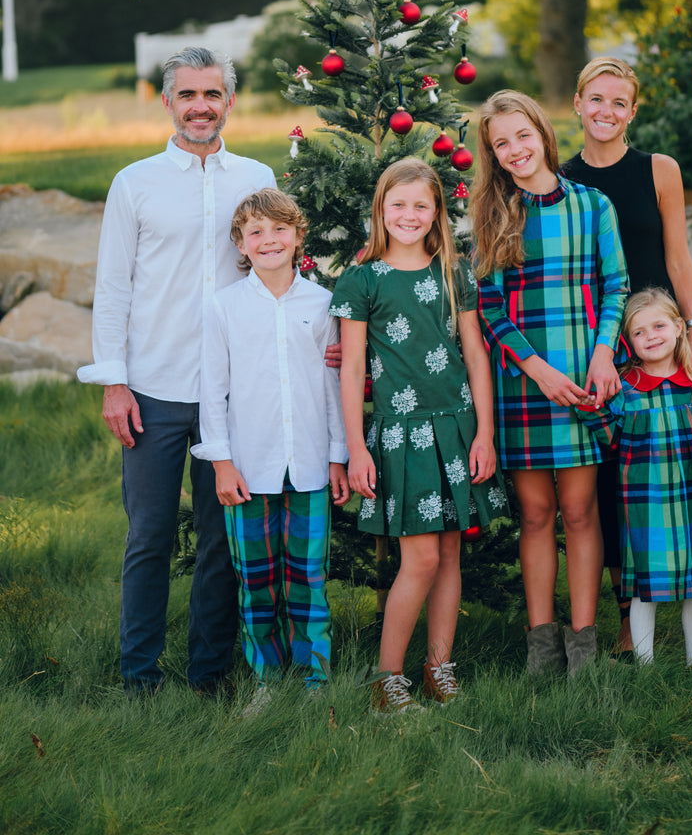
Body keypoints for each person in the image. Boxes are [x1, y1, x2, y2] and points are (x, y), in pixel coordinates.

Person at [78, 46, 283, 696]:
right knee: (151, 537)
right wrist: (115, 382)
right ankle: (137, 676)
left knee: (223, 541)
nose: (201, 106)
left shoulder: (257, 177)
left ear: (230, 101)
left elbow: (276, 276)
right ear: (168, 102)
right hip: (152, 389)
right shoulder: (133, 183)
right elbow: (113, 289)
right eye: (188, 95)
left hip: (230, 391)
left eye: (213, 94)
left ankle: (208, 675)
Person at [561, 56, 692, 659]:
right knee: (620, 480)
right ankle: (627, 611)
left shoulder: (659, 171)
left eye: (620, 102)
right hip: (604, 346)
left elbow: (679, 257)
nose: (606, 112)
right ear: (577, 104)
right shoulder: (561, 182)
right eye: (597, 99)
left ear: (633, 111)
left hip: (662, 334)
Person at [330, 158, 509, 713]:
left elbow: (476, 354)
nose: (409, 215)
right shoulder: (361, 281)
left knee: (451, 552)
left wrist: (485, 434)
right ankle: (387, 677)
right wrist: (356, 446)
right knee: (421, 560)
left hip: (456, 428)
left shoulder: (453, 272)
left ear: (436, 213)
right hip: (400, 435)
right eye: (398, 205)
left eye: (421, 206)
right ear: (381, 210)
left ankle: (439, 666)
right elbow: (353, 368)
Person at [471, 90, 628, 678]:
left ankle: (584, 640)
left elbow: (616, 284)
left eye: (522, 136)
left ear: (543, 132)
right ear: (491, 153)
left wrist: (604, 354)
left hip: (586, 379)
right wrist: (535, 368)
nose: (515, 150)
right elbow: (490, 306)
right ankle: (542, 643)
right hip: (526, 384)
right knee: (536, 515)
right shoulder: (493, 215)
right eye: (501, 143)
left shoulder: (592, 206)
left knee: (581, 511)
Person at [190, 188, 349, 712]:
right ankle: (266, 678)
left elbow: (331, 389)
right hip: (248, 467)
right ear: (240, 242)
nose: (268, 240)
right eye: (255, 232)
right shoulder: (224, 307)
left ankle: (314, 679)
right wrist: (221, 461)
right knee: (255, 581)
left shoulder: (323, 304)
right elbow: (213, 390)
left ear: (299, 236)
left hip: (308, 465)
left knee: (307, 577)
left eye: (279, 229)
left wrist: (337, 455)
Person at [576, 288, 692, 671]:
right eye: (639, 332)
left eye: (658, 326)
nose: (651, 336)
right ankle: (645, 664)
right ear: (628, 341)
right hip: (647, 501)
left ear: (677, 328)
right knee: (644, 584)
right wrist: (591, 410)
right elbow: (612, 439)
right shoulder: (625, 389)